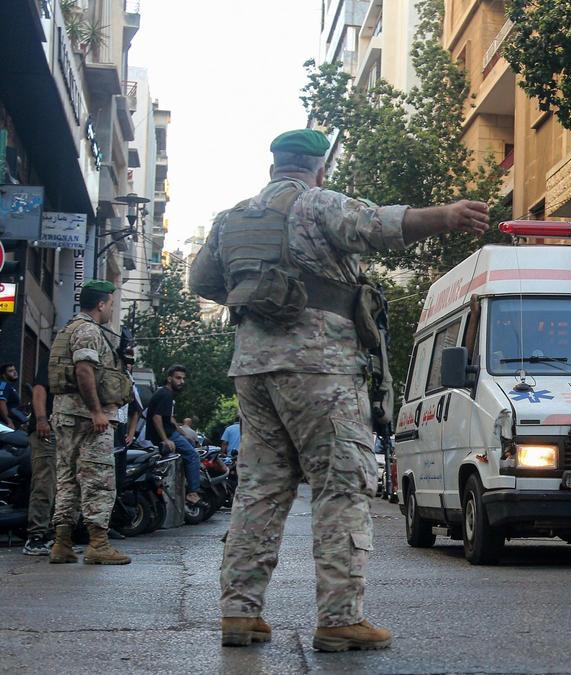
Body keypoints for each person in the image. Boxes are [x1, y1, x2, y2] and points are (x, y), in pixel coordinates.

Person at [189, 129, 489, 651]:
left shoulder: (232, 219)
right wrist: (448, 215)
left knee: (260, 489)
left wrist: (260, 294)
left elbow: (202, 282)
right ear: (318, 168)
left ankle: (240, 613)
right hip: (319, 368)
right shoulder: (317, 205)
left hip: (254, 369)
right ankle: (339, 619)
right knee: (342, 485)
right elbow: (380, 226)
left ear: (273, 166)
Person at [46, 279, 134, 565]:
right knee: (98, 480)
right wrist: (97, 411)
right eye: (110, 303)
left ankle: (62, 543)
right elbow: (84, 371)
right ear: (100, 304)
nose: (110, 309)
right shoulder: (88, 330)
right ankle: (98, 544)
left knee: (68, 479)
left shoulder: (69, 328)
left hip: (66, 414)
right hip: (87, 417)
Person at [146, 365, 202, 506]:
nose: (181, 381)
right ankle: (192, 493)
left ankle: (187, 481)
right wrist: (165, 439)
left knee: (191, 444)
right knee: (193, 456)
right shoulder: (165, 394)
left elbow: (169, 418)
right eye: (178, 378)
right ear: (169, 378)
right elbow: (156, 417)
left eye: (183, 378)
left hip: (172, 433)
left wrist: (182, 432)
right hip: (167, 436)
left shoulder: (166, 394)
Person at [21, 371, 57, 556]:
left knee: (58, 487)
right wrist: (42, 419)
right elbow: (39, 389)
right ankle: (35, 537)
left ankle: (50, 536)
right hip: (46, 432)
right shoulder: (54, 357)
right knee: (44, 483)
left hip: (61, 431)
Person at [0, 363, 22, 427]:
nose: (14, 372)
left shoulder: (8, 385)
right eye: (10, 371)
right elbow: (1, 402)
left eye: (14, 370)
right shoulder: (3, 385)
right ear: (4, 375)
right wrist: (8, 421)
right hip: (5, 425)